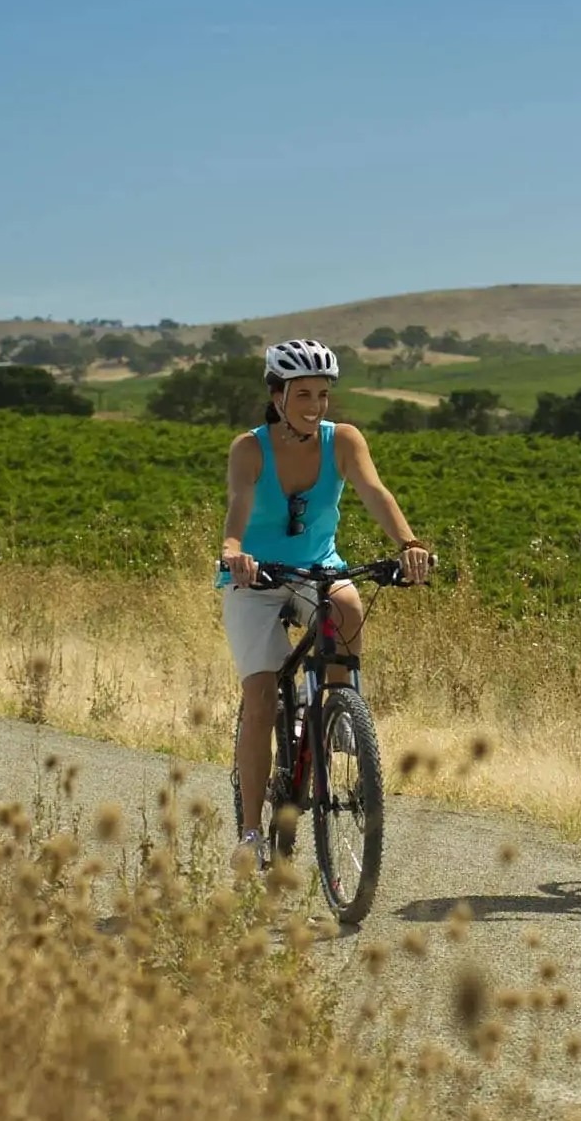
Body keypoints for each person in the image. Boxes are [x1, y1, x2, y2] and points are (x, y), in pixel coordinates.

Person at [218, 338, 433, 873]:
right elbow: (238, 509)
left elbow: (374, 491)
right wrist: (233, 554)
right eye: (302, 394)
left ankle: (339, 711)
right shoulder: (250, 448)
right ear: (276, 394)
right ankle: (250, 833)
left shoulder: (343, 441)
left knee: (348, 604)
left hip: (319, 568)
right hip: (257, 576)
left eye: (323, 394)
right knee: (262, 695)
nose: (315, 405)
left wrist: (407, 545)